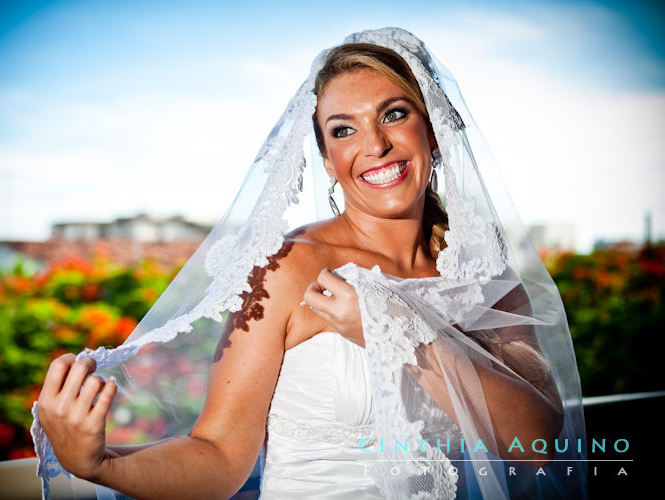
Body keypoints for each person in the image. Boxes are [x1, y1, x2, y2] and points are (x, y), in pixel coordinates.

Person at [33, 28, 588, 499]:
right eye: (343, 129)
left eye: (394, 115)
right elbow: (220, 455)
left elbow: (535, 443)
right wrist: (100, 465)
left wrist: (397, 332)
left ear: (434, 132)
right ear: (326, 158)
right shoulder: (288, 268)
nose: (374, 144)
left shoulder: (487, 279)